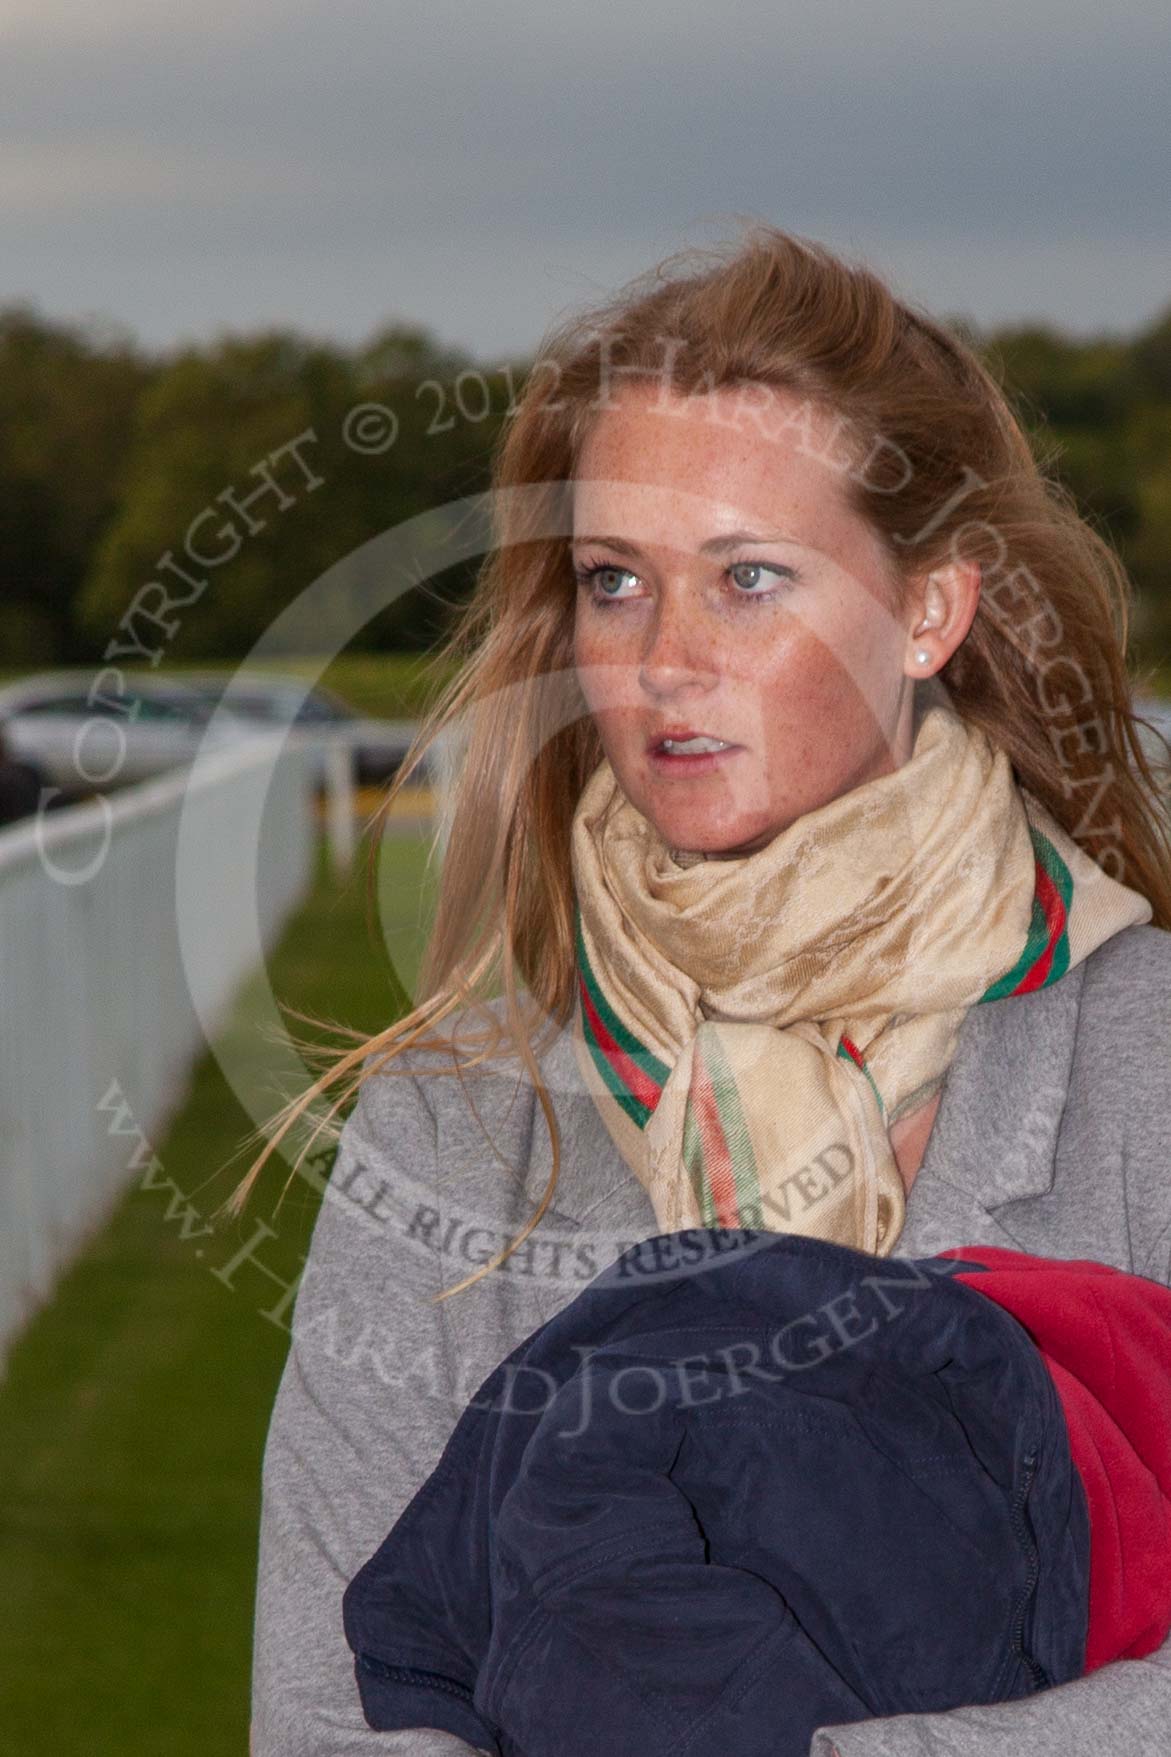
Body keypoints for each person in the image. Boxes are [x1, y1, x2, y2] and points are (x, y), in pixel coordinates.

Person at [231, 223, 1171, 1756]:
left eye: (747, 578)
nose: (664, 659)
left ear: (928, 612)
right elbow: (323, 1701)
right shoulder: (463, 1114)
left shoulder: (1150, 1061)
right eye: (616, 581)